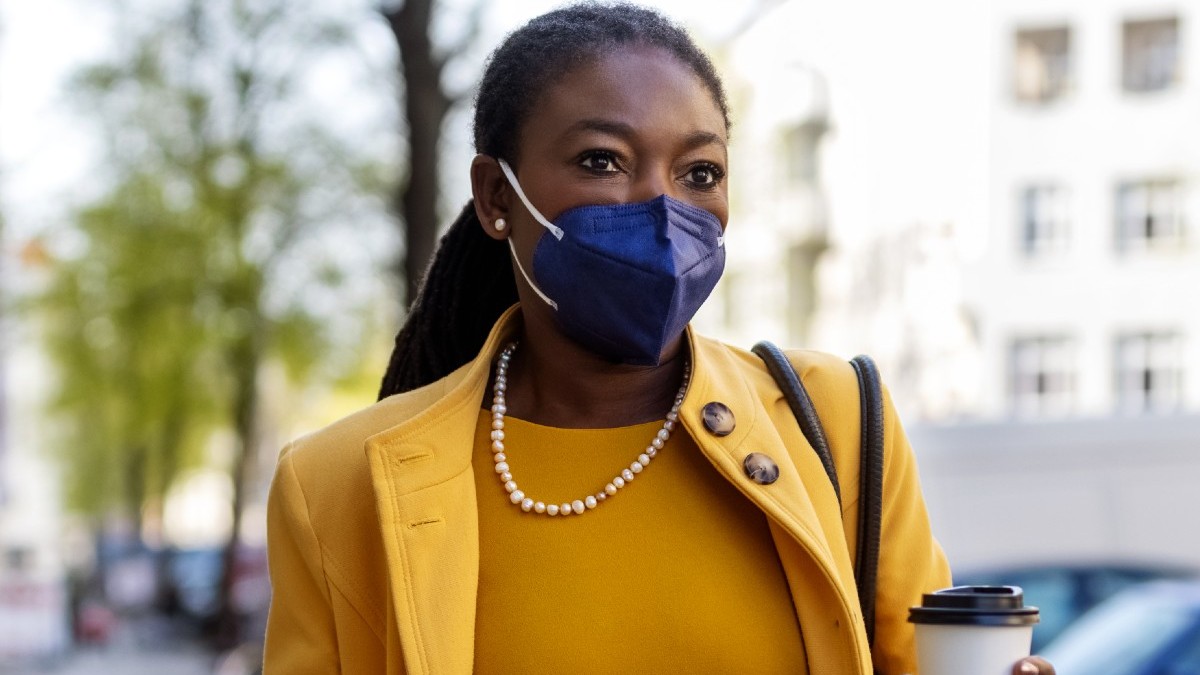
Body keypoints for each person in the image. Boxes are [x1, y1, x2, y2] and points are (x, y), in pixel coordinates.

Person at [263, 4, 1055, 674]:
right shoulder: (337, 486)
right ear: (497, 196)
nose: (660, 206)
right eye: (603, 160)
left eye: (700, 172)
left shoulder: (838, 423)